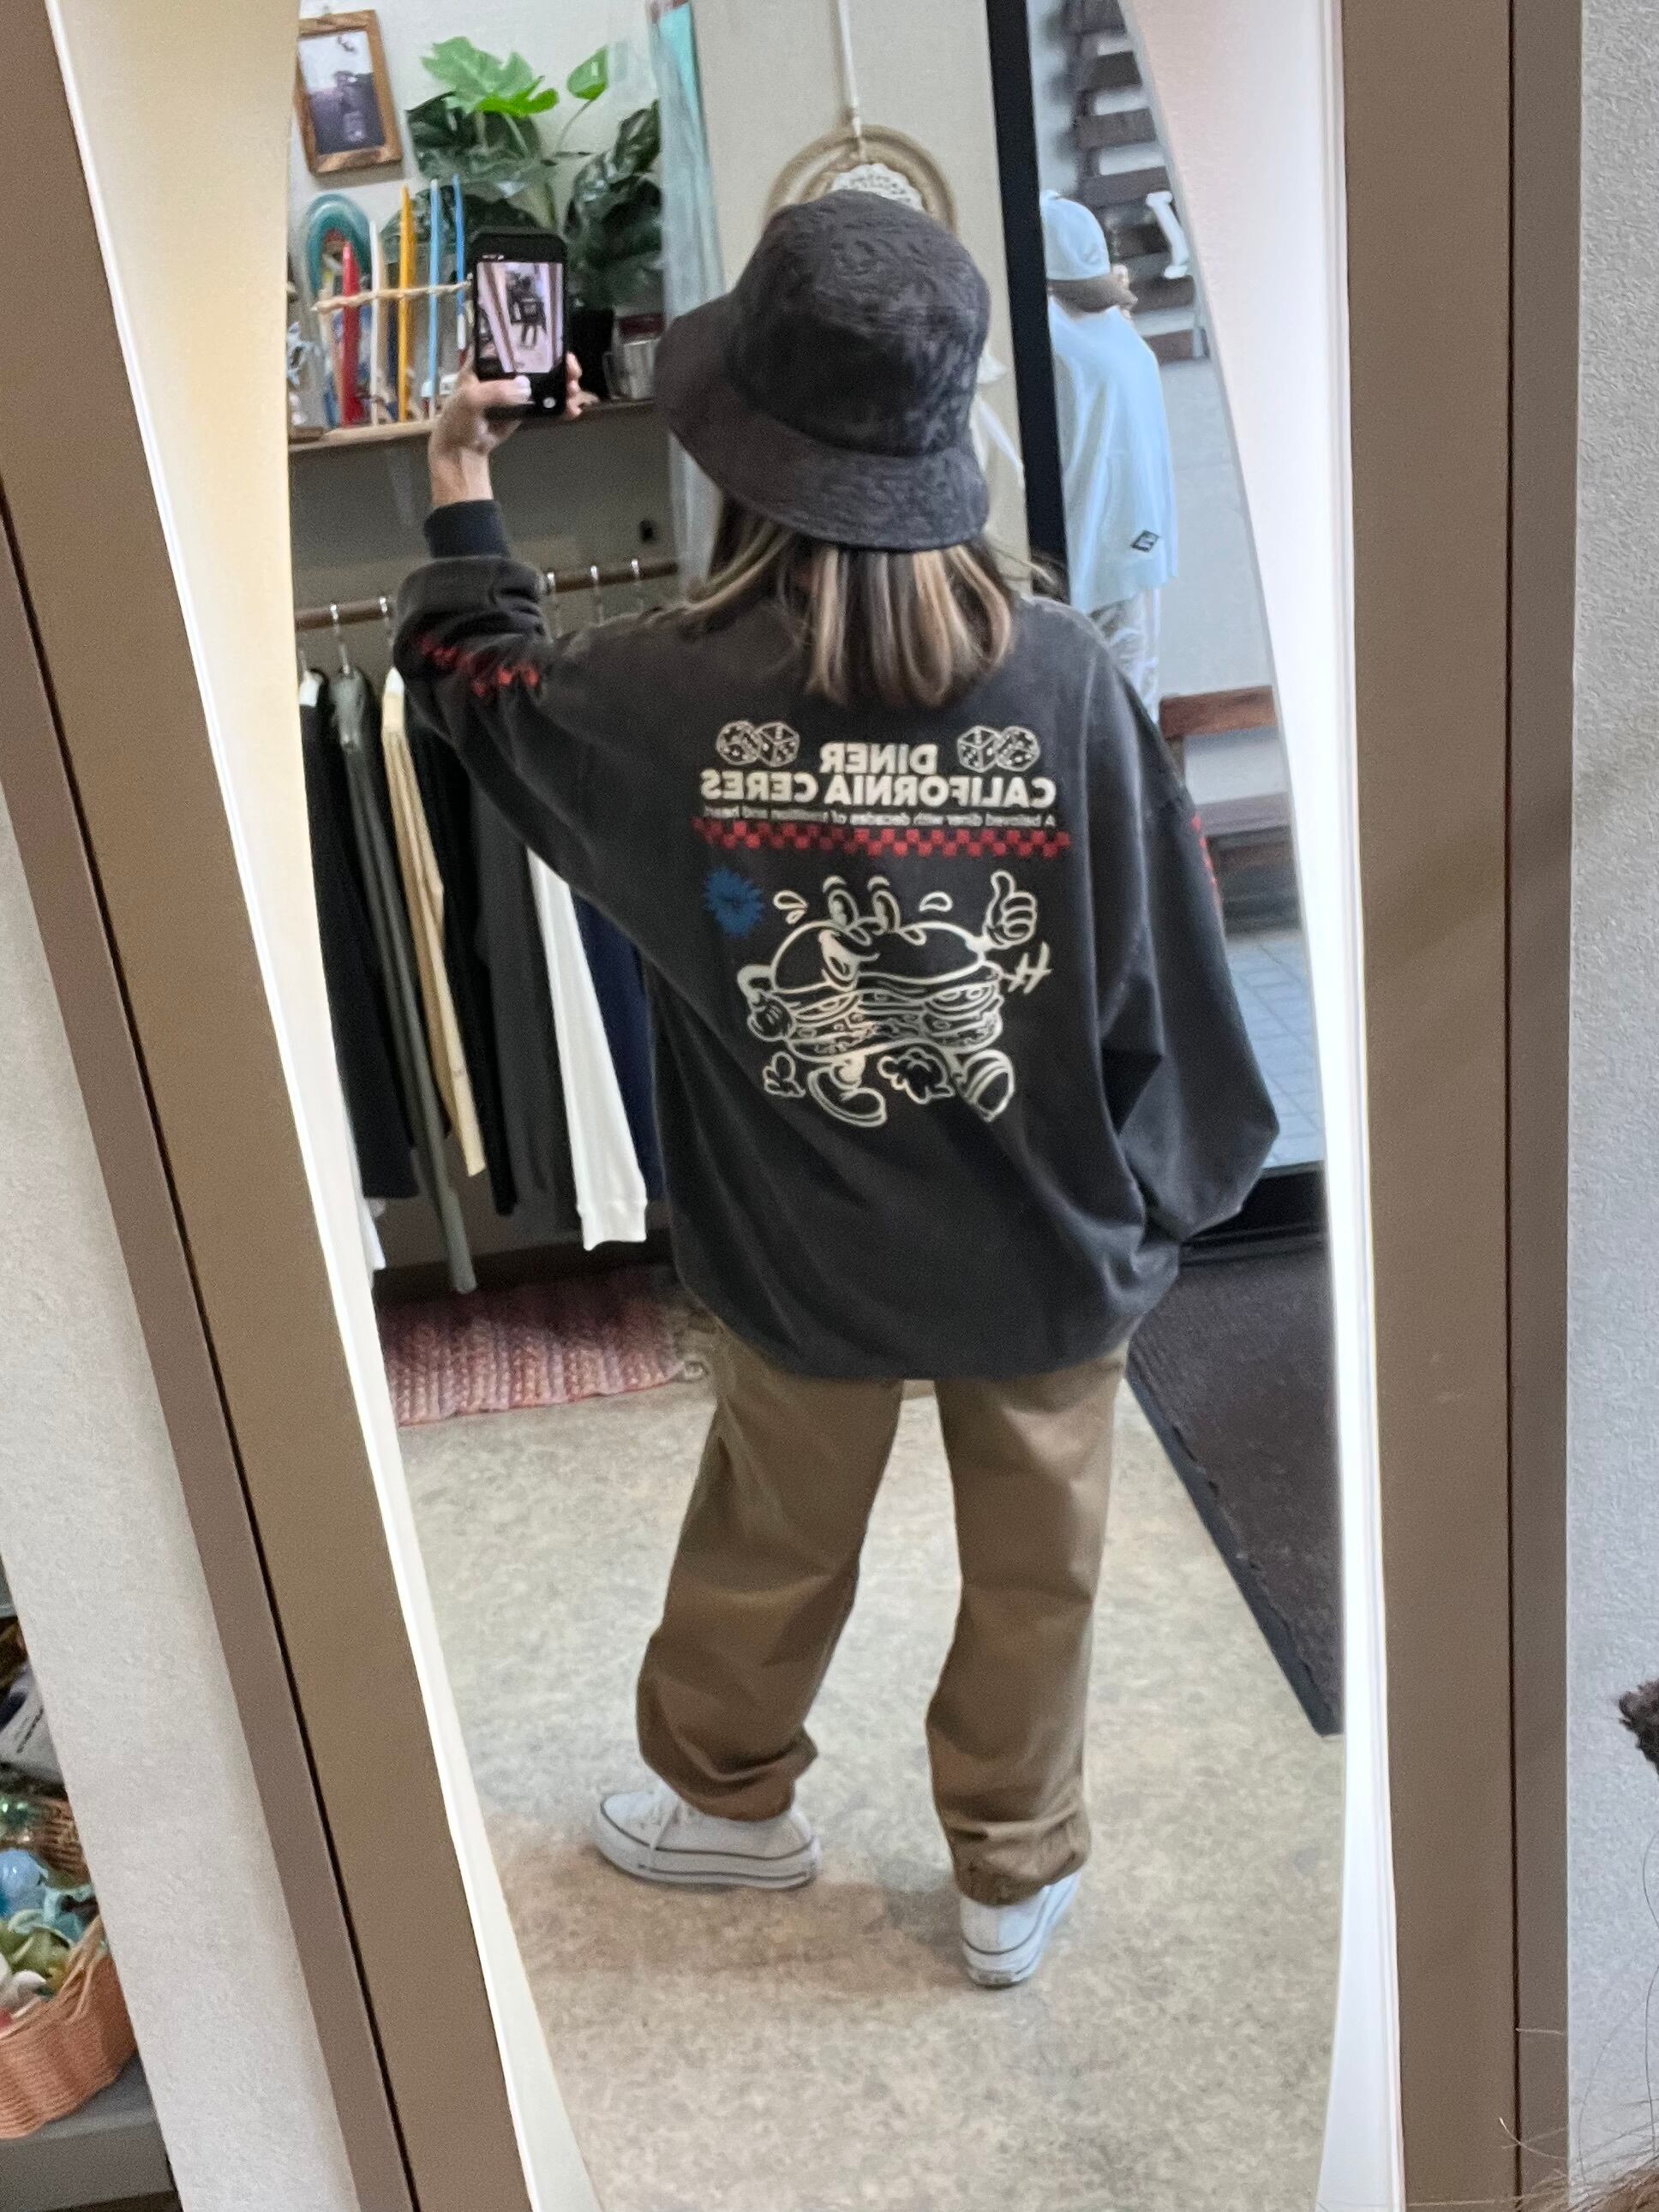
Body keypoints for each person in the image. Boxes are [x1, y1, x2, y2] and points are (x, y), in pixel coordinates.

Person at [395, 190, 1274, 1988]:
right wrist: (1164, 1196)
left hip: (799, 1252)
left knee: (768, 1528)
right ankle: (1009, 1868)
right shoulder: (1069, 683)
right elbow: (1162, 974)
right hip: (1045, 1246)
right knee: (1040, 1563)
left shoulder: (656, 698)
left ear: (743, 443)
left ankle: (728, 1803)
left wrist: (462, 483)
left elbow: (477, 686)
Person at [1041, 188, 1178, 720]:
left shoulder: (1094, 336)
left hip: (1123, 547)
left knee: (1126, 714)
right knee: (1110, 714)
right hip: (1092, 549)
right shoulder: (1064, 336)